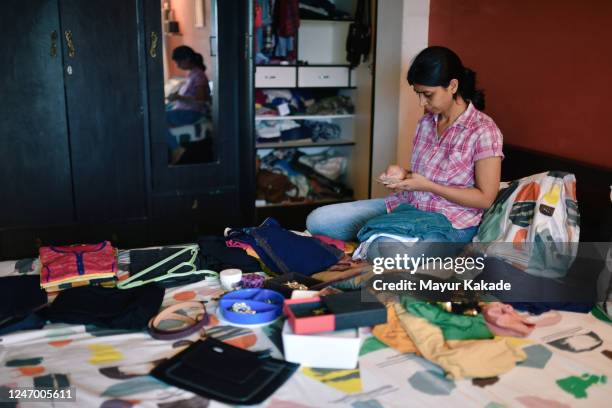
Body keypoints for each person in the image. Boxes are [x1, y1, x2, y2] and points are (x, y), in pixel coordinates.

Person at [306, 46, 504, 260]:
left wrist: (428, 186)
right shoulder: (427, 121)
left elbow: (485, 198)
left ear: (453, 85)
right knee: (318, 220)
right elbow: (426, 175)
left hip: (451, 223)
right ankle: (378, 236)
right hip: (408, 206)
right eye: (418, 94)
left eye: (428, 95)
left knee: (385, 250)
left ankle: (377, 238)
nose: (422, 103)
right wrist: (403, 174)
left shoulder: (483, 130)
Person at [166, 45, 211, 164]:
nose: (177, 65)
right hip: (184, 110)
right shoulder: (191, 74)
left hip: (192, 113)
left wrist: (178, 97)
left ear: (187, 59)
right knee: (157, 112)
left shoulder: (199, 75)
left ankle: (176, 148)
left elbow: (202, 99)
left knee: (156, 118)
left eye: (178, 62)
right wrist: (176, 97)